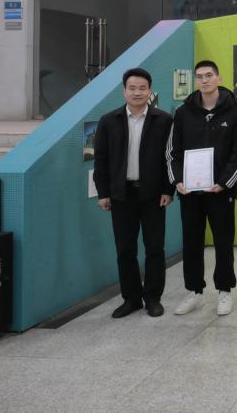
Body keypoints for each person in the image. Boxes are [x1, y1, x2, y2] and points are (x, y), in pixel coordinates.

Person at [166, 60, 237, 316]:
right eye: (200, 76)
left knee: (223, 242)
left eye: (209, 75)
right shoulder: (183, 113)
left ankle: (224, 291)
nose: (204, 80)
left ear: (219, 78)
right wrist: (178, 181)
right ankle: (195, 292)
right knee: (192, 242)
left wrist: (224, 183)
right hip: (190, 192)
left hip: (220, 192)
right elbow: (172, 152)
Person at [93, 68, 174, 318]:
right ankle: (131, 299)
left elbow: (171, 158)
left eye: (142, 88)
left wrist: (168, 189)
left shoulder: (164, 120)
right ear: (124, 91)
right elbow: (101, 160)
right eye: (132, 88)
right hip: (121, 195)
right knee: (125, 250)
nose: (137, 92)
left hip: (153, 195)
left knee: (155, 249)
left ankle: (153, 298)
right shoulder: (109, 121)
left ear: (150, 91)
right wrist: (103, 193)